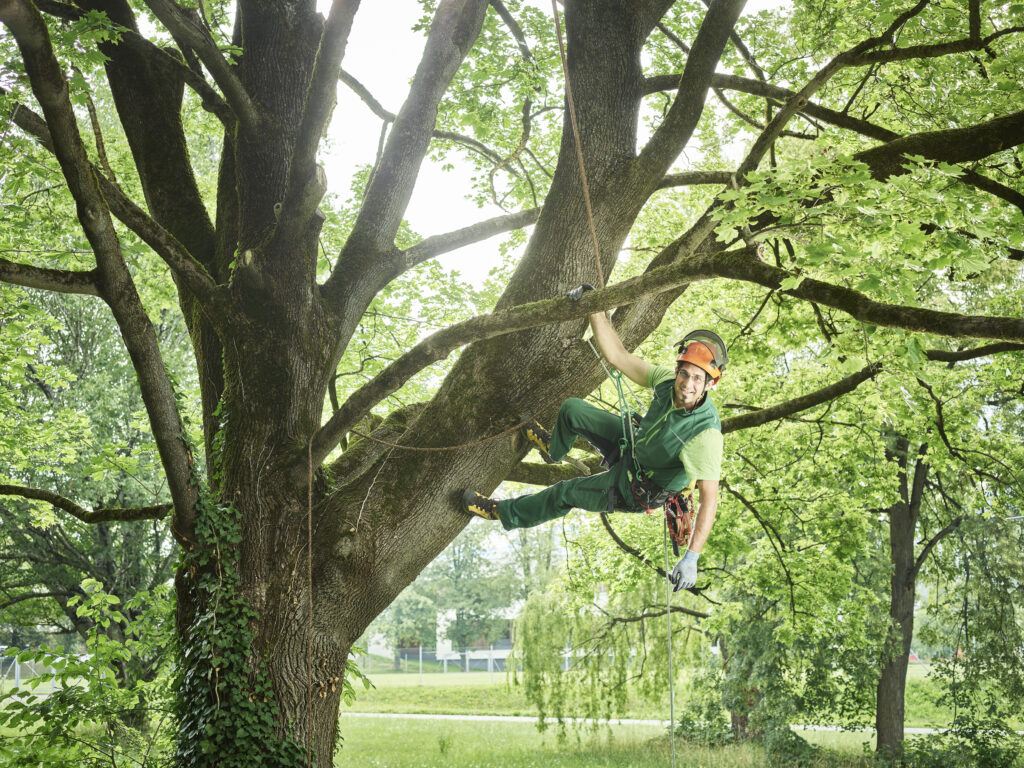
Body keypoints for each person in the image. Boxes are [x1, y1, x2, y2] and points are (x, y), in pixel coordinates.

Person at [463, 288, 725, 592]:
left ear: (709, 384)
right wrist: (593, 305)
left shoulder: (705, 434)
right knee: (572, 409)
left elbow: (709, 499)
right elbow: (618, 356)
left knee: (565, 492)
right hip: (633, 446)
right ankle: (553, 450)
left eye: (697, 378)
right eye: (685, 374)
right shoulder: (667, 382)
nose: (688, 384)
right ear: (677, 370)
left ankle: (500, 512)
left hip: (636, 488)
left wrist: (692, 557)